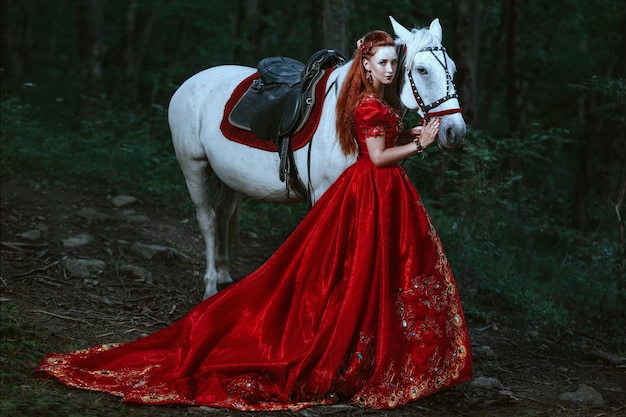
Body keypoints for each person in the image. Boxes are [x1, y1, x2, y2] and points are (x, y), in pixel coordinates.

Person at [33, 30, 472, 411]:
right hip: (372, 183)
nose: (391, 69)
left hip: (374, 189)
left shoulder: (371, 100)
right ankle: (218, 268)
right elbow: (376, 155)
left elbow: (377, 142)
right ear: (367, 64)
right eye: (384, 63)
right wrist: (421, 145)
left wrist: (418, 134)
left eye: (394, 62)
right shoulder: (363, 104)